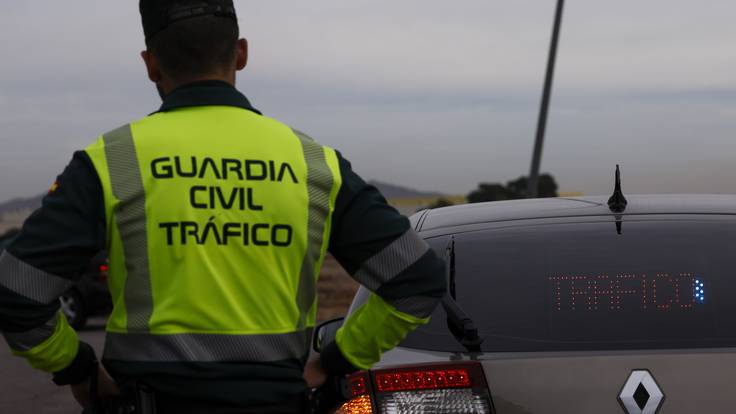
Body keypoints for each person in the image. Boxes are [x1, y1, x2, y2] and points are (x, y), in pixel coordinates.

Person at [0, 0, 447, 412]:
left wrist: (79, 370)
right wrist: (338, 360)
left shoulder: (111, 161)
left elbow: (17, 293)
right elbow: (417, 279)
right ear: (241, 54)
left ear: (150, 64)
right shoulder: (314, 165)